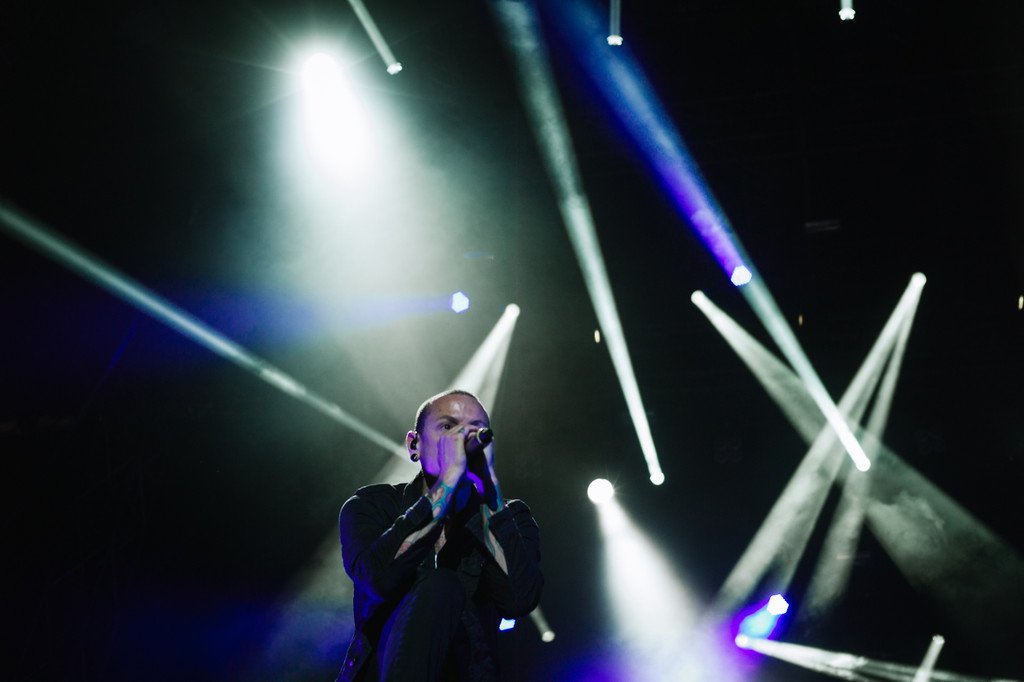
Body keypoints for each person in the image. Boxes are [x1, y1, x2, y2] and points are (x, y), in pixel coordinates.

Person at [336, 389, 543, 681]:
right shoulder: (372, 505)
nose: (462, 439)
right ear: (414, 445)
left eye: (476, 430)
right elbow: (377, 579)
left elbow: (520, 600)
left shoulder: (509, 516)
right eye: (447, 427)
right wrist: (447, 481)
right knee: (441, 585)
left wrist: (489, 491)